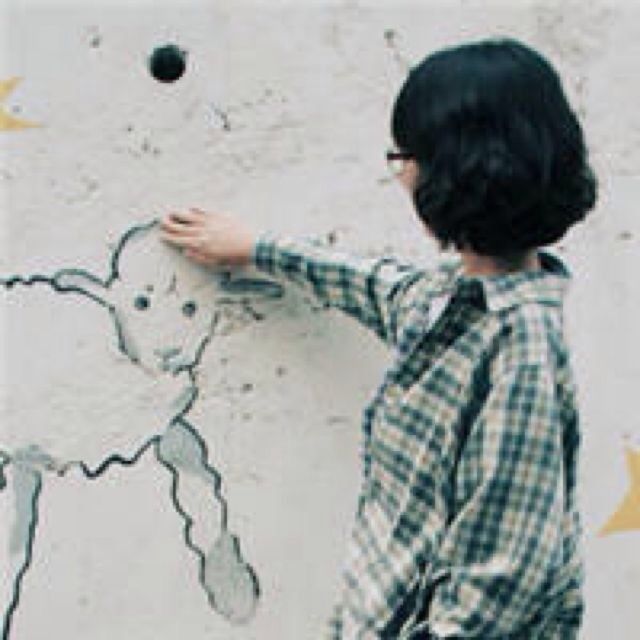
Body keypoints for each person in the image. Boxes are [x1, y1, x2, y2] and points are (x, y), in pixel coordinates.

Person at [159, 36, 597, 639]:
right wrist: (257, 249)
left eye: (404, 156)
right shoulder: (458, 300)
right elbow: (379, 288)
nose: (401, 174)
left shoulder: (519, 351)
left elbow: (499, 581)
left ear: (452, 170)